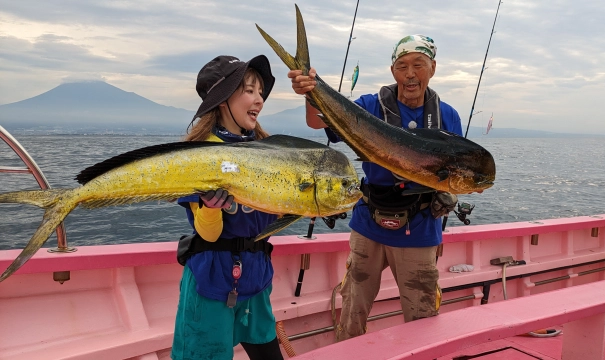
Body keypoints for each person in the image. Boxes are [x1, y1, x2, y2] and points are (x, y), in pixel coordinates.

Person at [288, 35, 463, 341]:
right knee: (352, 307)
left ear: (432, 68)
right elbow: (318, 123)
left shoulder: (447, 116)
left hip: (419, 229)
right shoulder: (370, 106)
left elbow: (459, 169)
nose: (410, 74)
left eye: (418, 65)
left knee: (422, 314)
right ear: (393, 71)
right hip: (368, 224)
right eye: (402, 66)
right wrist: (309, 92)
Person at [171, 55, 284, 360]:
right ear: (222, 100)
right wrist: (210, 208)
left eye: (260, 92)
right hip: (211, 279)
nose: (259, 99)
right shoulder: (199, 154)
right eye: (249, 90)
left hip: (257, 277)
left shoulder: (269, 151)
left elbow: (275, 214)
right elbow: (207, 235)